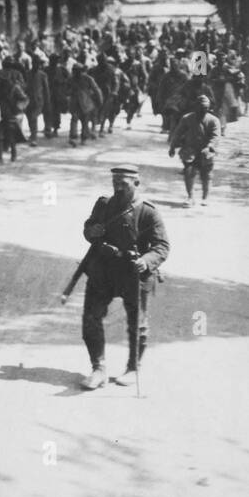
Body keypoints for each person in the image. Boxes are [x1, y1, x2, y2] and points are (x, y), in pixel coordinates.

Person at [74, 165, 169, 390]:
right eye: (115, 183)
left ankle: (133, 367)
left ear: (136, 183)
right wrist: (91, 231)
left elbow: (162, 246)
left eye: (123, 184)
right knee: (90, 319)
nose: (117, 187)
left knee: (137, 324)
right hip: (103, 270)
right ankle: (98, 368)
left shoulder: (148, 212)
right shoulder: (104, 204)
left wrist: (146, 261)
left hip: (133, 275)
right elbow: (89, 228)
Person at [168, 94, 219, 207]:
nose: (202, 110)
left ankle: (205, 197)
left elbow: (215, 136)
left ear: (208, 108)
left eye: (205, 108)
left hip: (207, 151)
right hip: (189, 150)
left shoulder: (213, 120)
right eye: (200, 107)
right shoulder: (187, 118)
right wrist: (172, 146)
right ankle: (190, 196)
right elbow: (178, 133)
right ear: (195, 107)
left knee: (206, 175)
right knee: (189, 172)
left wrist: (209, 147)